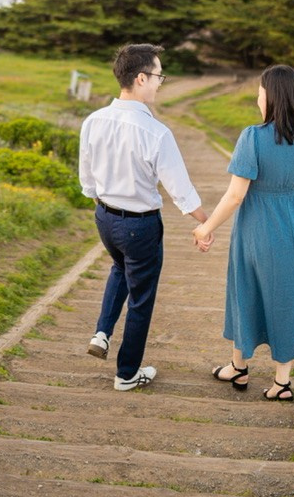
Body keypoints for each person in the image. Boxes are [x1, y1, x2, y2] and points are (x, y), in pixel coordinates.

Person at [192, 64, 294, 400]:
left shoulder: (253, 137)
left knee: (245, 292)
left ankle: (239, 367)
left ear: (270, 96)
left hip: (256, 232)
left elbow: (235, 196)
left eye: (260, 91)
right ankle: (281, 383)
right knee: (289, 300)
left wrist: (205, 228)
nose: (258, 97)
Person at [79, 43, 209, 390]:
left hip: (105, 218)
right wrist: (204, 220)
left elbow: (87, 180)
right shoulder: (155, 132)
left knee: (120, 267)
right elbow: (180, 188)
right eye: (158, 76)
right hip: (140, 225)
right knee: (141, 297)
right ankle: (126, 374)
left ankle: (102, 332)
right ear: (140, 78)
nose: (159, 83)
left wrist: (105, 203)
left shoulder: (93, 121)